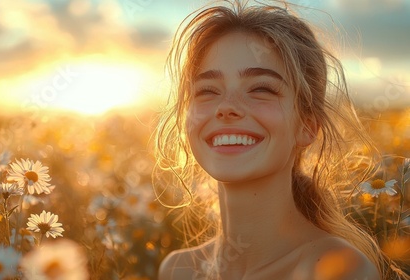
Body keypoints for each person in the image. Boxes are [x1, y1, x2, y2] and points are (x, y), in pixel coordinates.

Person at [154, 1, 409, 279]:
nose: (225, 107)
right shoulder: (177, 270)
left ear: (307, 126)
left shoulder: (336, 271)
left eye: (261, 88)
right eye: (207, 90)